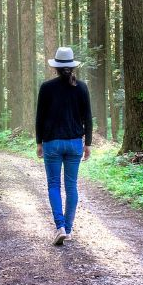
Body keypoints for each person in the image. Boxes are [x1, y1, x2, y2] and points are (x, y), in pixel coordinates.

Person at [34, 46, 92, 245]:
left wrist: (39, 142)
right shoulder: (82, 87)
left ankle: (59, 227)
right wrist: (88, 144)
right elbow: (88, 119)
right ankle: (68, 229)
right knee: (71, 186)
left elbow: (39, 118)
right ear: (72, 66)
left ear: (56, 67)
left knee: (53, 185)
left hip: (52, 143)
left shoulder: (46, 87)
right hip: (75, 143)